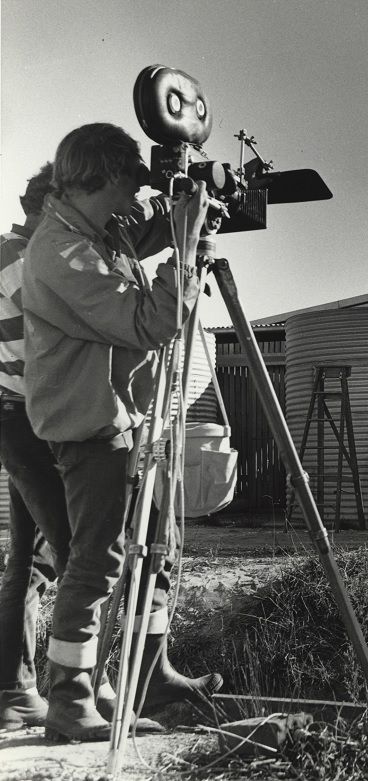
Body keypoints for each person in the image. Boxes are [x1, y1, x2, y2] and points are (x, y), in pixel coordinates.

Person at [21, 123, 221, 741]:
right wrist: (185, 252)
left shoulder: (96, 229)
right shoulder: (62, 253)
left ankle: (148, 675)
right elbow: (148, 323)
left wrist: (188, 205)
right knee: (97, 559)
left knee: (155, 545)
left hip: (124, 418)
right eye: (127, 184)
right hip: (89, 427)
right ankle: (70, 699)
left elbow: (145, 223)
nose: (134, 196)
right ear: (101, 178)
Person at [0, 164, 73, 731]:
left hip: (19, 416)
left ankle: (16, 689)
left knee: (28, 561)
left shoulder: (10, 250)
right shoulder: (23, 258)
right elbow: (65, 323)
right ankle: (80, 690)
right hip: (31, 420)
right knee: (76, 554)